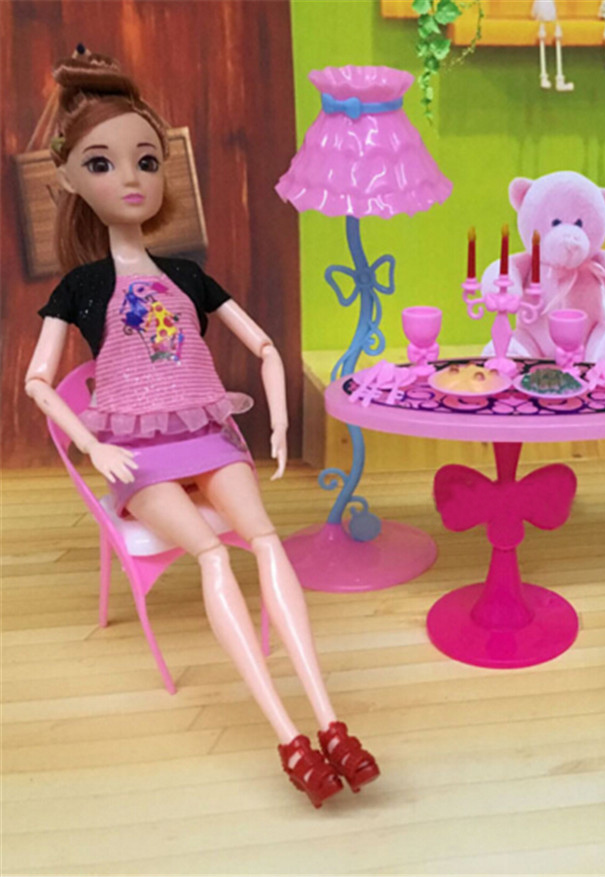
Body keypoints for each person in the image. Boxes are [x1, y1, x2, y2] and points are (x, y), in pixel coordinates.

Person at [24, 48, 379, 809]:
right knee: (215, 555)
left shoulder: (186, 276)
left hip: (209, 439)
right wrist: (93, 444)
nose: (130, 178)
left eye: (146, 160)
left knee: (267, 541)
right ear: (70, 180)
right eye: (102, 163)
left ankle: (332, 720)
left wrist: (277, 422)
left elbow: (264, 345)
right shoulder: (80, 287)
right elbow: (38, 381)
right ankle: (289, 736)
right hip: (137, 456)